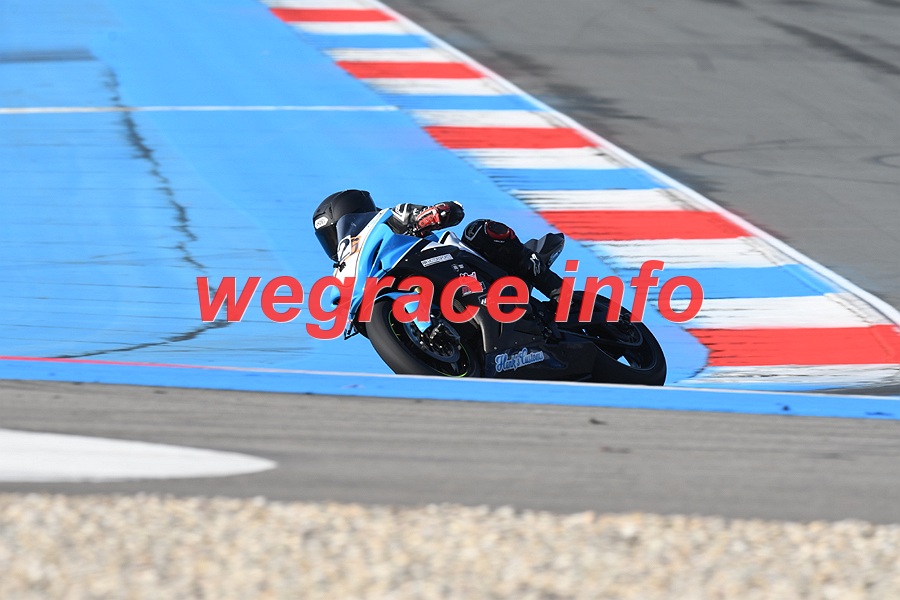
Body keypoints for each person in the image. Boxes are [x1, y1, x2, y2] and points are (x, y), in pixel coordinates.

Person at [312, 189, 564, 300]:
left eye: (334, 232)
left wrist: (433, 214)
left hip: (450, 264)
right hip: (410, 287)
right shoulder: (350, 268)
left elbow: (448, 212)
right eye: (329, 239)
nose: (336, 241)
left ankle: (556, 291)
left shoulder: (390, 219)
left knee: (481, 231)